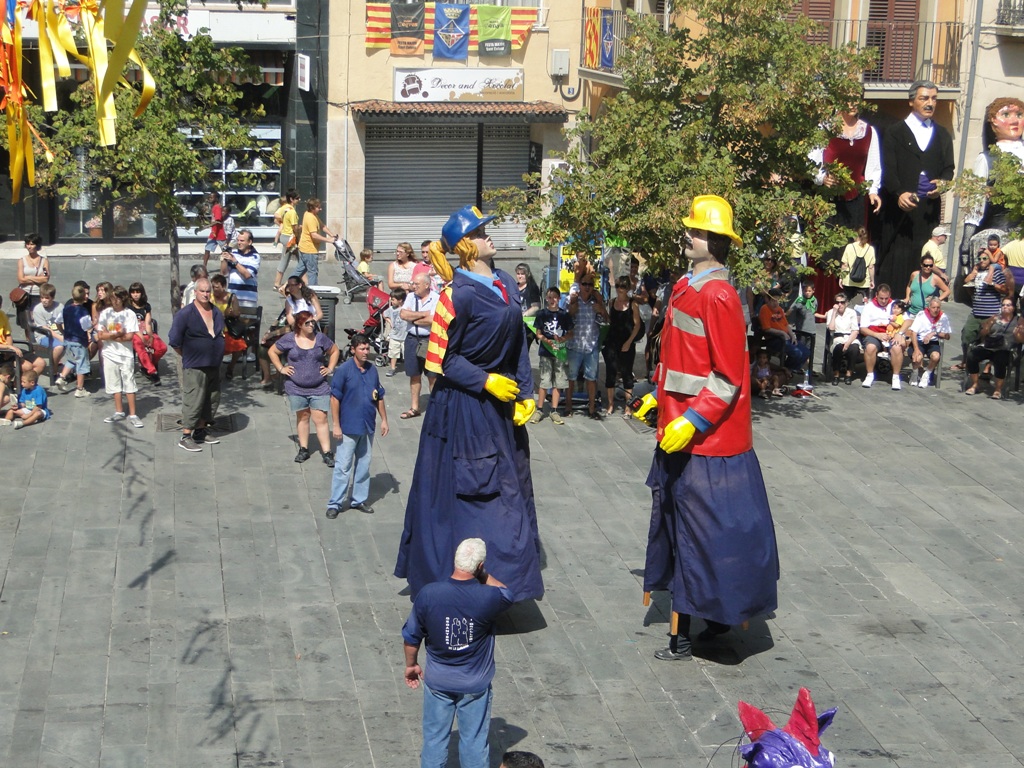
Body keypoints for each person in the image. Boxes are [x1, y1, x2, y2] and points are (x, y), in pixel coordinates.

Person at [643, 195, 778, 661]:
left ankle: (690, 631)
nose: (688, 235)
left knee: (698, 539)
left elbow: (727, 376)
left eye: (696, 231)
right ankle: (713, 618)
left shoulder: (717, 294)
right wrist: (657, 396)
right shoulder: (687, 284)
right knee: (691, 534)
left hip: (708, 444)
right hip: (681, 432)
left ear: (715, 242)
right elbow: (679, 360)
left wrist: (692, 419)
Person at [395, 204, 542, 603]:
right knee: (473, 501)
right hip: (463, 410)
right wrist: (485, 380)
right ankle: (461, 583)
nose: (488, 234)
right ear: (465, 247)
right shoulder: (455, 295)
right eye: (479, 232)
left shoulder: (507, 282)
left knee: (512, 491)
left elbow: (519, 344)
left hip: (502, 408)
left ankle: (509, 583)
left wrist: (524, 393)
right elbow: (439, 359)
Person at [402, 538, 514, 768]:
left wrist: (411, 665)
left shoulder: (429, 594)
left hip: (438, 680)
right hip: (475, 682)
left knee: (434, 739)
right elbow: (507, 593)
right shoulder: (489, 597)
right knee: (474, 740)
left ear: (455, 561)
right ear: (480, 566)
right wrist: (483, 576)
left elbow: (411, 637)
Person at [879, 80, 955, 293]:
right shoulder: (894, 132)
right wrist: (898, 192)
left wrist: (942, 184)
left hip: (928, 212)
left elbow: (949, 168)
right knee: (897, 257)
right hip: (899, 210)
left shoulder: (942, 135)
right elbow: (887, 169)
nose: (930, 103)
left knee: (924, 258)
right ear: (911, 101)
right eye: (924, 98)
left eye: (934, 99)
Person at [809, 98, 883, 303]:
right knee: (828, 250)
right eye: (847, 99)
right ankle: (824, 303)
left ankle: (849, 304)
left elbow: (873, 167)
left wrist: (873, 191)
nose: (852, 104)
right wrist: (822, 177)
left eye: (856, 99)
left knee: (853, 249)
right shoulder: (825, 128)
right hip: (830, 200)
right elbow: (812, 162)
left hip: (857, 201)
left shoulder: (868, 132)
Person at [326, 333, 388, 517]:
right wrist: (336, 425)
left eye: (367, 348)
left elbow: (379, 396)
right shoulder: (344, 370)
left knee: (363, 465)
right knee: (343, 467)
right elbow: (335, 398)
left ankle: (358, 500)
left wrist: (384, 419)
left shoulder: (372, 370)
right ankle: (335, 503)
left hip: (367, 426)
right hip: (349, 427)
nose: (365, 352)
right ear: (353, 349)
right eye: (362, 348)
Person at [959, 97, 1024, 272]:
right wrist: (966, 242)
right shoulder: (986, 159)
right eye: (1006, 114)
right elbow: (976, 204)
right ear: (993, 122)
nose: (1014, 120)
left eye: (1019, 114)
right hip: (999, 233)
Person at [269, 310, 340, 467]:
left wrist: (330, 368)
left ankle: (327, 453)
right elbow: (272, 351)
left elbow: (335, 351)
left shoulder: (320, 338)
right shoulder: (289, 339)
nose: (311, 325)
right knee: (303, 417)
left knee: (320, 418)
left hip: (319, 386)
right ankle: (304, 449)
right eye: (307, 323)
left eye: (312, 322)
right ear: (299, 325)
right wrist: (281, 368)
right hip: (296, 387)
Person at [168, 277, 225, 452]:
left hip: (213, 364)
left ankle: (200, 430)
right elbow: (174, 340)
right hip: (195, 365)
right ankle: (186, 436)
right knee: (194, 400)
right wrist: (189, 355)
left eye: (208, 291)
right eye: (203, 291)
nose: (206, 294)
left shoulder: (216, 312)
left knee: (210, 399)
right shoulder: (185, 314)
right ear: (195, 292)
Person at [96, 286, 143, 428]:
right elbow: (100, 334)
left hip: (125, 355)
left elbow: (129, 336)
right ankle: (119, 411)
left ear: (123, 299)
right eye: (112, 299)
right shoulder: (105, 313)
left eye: (117, 299)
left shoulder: (129, 315)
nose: (114, 301)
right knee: (113, 383)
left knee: (129, 382)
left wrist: (109, 336)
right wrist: (116, 334)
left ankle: (133, 414)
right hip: (109, 354)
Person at [566, 277, 609, 419]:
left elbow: (607, 321)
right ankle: (568, 407)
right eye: (584, 284)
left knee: (591, 378)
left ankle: (592, 409)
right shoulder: (573, 300)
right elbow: (565, 319)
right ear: (580, 285)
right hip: (575, 344)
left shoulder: (596, 302)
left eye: (590, 284)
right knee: (571, 378)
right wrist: (572, 308)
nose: (587, 287)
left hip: (591, 345)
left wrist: (602, 309)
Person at [965, 298, 1024, 398]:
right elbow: (982, 334)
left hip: (1005, 349)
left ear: (1013, 308)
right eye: (1003, 305)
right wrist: (988, 326)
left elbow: (1020, 341)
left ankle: (998, 389)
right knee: (971, 356)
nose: (1005, 307)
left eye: (1008, 305)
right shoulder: (995, 317)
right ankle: (975, 384)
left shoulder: (1018, 321)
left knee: (1000, 360)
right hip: (989, 346)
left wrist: (1017, 333)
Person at [398, 273, 438, 419]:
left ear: (427, 285)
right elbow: (403, 314)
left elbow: (433, 319)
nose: (413, 286)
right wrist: (423, 314)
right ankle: (414, 407)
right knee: (414, 374)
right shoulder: (410, 297)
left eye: (417, 284)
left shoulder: (436, 298)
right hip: (412, 339)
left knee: (432, 375)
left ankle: (435, 408)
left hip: (430, 340)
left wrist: (414, 317)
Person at [532, 286, 573, 424]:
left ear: (559, 298)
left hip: (560, 351)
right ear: (546, 298)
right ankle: (539, 409)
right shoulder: (542, 314)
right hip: (546, 351)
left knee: (559, 381)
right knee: (544, 381)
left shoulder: (564, 315)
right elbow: (538, 333)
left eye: (555, 297)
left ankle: (554, 410)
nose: (552, 300)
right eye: (549, 297)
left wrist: (563, 339)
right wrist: (546, 340)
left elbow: (570, 332)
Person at [603, 275, 642, 415]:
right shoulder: (612, 302)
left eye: (623, 287)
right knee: (611, 373)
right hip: (612, 342)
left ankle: (628, 407)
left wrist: (629, 342)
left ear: (628, 289)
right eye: (618, 286)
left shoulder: (633, 305)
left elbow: (637, 326)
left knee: (627, 374)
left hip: (627, 342)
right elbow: (609, 321)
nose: (620, 290)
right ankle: (610, 404)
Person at [960, 251, 1008, 354]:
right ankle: (965, 361)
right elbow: (969, 287)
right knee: (966, 335)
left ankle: (987, 366)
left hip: (991, 313)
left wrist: (993, 284)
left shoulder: (996, 273)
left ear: (990, 260)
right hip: (976, 312)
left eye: (984, 258)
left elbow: (1005, 290)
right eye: (980, 259)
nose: (982, 261)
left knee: (990, 341)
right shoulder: (976, 273)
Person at [859, 284, 905, 389]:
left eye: (886, 298)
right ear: (876, 295)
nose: (884, 301)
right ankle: (870, 375)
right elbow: (863, 328)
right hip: (874, 333)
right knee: (870, 348)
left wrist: (899, 333)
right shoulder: (869, 307)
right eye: (881, 298)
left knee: (897, 348)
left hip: (892, 333)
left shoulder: (896, 305)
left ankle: (896, 377)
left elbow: (908, 321)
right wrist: (877, 335)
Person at [54, 283, 94, 397]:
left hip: (67, 340)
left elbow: (58, 321)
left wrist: (62, 331)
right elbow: (86, 327)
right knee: (81, 364)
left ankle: (62, 377)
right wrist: (92, 325)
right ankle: (80, 389)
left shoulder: (66, 309)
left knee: (71, 360)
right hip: (79, 341)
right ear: (84, 298)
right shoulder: (83, 312)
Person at [908, 296, 952, 388]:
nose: (936, 310)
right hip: (920, 340)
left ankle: (927, 374)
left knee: (936, 356)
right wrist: (916, 349)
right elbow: (913, 333)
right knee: (917, 356)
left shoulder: (943, 317)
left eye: (938, 308)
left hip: (933, 342)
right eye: (933, 307)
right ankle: (915, 373)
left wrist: (934, 333)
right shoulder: (921, 315)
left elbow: (947, 336)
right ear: (929, 308)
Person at [127, 282, 167, 385]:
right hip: (134, 333)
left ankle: (149, 363)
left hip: (145, 331)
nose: (135, 294)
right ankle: (152, 372)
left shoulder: (146, 306)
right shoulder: (127, 306)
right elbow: (130, 325)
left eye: (138, 292)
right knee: (140, 347)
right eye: (133, 292)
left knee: (162, 347)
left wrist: (150, 336)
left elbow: (148, 323)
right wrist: (141, 337)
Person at [210, 274, 248, 379]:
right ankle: (214, 369)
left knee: (239, 345)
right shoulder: (210, 297)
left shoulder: (232, 297)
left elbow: (237, 313)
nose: (214, 290)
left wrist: (230, 313)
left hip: (228, 330)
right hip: (214, 330)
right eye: (213, 287)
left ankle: (231, 367)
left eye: (217, 287)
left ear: (223, 286)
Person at [294, 197, 336, 288]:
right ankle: (313, 291)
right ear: (312, 208)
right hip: (309, 250)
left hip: (304, 248)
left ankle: (286, 286)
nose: (321, 209)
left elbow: (322, 226)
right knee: (312, 272)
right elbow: (314, 235)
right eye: (318, 207)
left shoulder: (312, 215)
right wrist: (328, 240)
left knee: (300, 270)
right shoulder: (310, 218)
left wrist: (332, 235)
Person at [16, 233, 50, 334]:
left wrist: (29, 277)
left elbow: (45, 279)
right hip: (24, 295)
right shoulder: (22, 261)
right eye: (27, 244)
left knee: (38, 321)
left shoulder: (44, 261)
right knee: (26, 323)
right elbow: (21, 279)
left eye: (32, 244)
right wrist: (37, 279)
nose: (29, 246)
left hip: (38, 294)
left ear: (37, 245)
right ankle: (31, 346)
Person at [824, 292, 861, 385]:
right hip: (837, 337)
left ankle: (849, 374)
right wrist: (834, 314)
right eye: (837, 302)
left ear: (846, 303)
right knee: (837, 349)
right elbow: (831, 328)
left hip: (850, 336)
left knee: (854, 348)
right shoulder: (830, 312)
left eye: (842, 302)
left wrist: (848, 343)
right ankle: (836, 374)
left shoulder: (851, 312)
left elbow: (855, 330)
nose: (840, 304)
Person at [221, 228, 260, 309]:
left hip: (248, 299)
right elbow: (224, 273)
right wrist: (224, 259)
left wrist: (234, 261)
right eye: (238, 240)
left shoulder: (255, 256)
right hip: (232, 297)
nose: (239, 243)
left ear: (249, 242)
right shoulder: (233, 253)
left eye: (242, 241)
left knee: (248, 321)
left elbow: (247, 275)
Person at [272, 188, 301, 291]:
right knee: (301, 261)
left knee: (288, 259)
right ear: (291, 199)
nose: (299, 199)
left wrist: (283, 222)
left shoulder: (284, 208)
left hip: (285, 236)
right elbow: (294, 228)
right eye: (297, 198)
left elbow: (276, 215)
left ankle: (277, 283)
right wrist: (298, 234)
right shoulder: (291, 211)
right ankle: (281, 285)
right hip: (290, 238)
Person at [838, 226, 875, 306]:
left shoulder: (849, 247)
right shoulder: (870, 249)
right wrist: (872, 280)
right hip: (864, 282)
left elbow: (844, 265)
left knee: (847, 304)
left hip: (849, 281)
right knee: (861, 305)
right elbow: (871, 267)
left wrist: (841, 277)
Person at [31, 283, 64, 363]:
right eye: (42, 298)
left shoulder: (60, 307)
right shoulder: (38, 309)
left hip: (59, 333)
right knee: (59, 346)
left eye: (47, 298)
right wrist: (60, 337)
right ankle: (54, 370)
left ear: (52, 298)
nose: (44, 300)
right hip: (44, 335)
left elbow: (63, 322)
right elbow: (44, 328)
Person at [383, 287, 408, 378]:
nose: (391, 301)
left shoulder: (406, 308)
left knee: (407, 353)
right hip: (395, 336)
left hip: (405, 336)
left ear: (400, 300)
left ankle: (408, 367)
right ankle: (392, 368)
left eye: (393, 300)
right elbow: (384, 314)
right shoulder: (391, 309)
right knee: (393, 353)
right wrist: (389, 320)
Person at [203, 192, 226, 271]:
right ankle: (204, 267)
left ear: (216, 198)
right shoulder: (214, 207)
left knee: (225, 251)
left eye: (211, 197)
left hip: (219, 234)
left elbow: (218, 220)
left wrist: (207, 226)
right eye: (209, 197)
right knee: (207, 249)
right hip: (214, 233)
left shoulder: (217, 207)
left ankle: (227, 267)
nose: (210, 199)